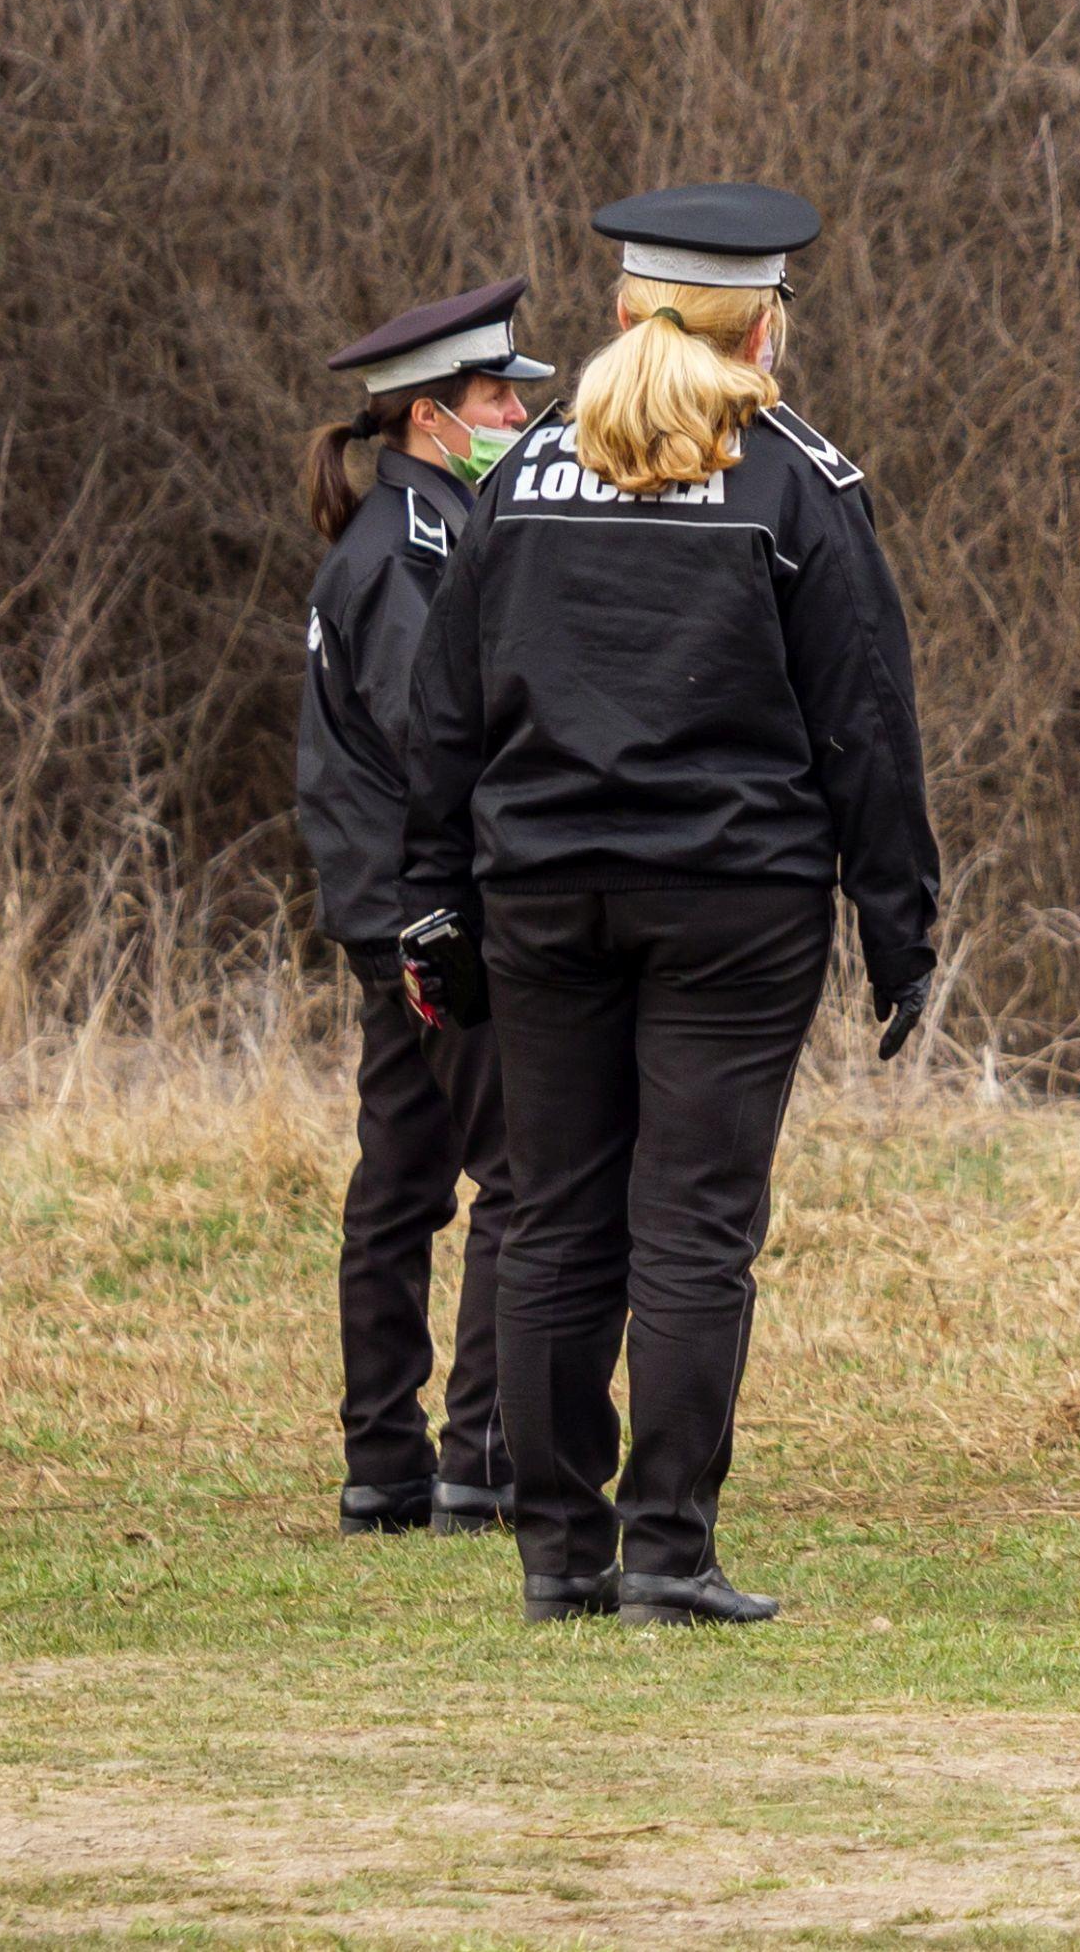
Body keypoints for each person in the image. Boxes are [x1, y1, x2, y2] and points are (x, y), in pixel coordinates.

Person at [402, 184, 940, 1627]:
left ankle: (555, 1557)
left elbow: (443, 711)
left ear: (628, 314)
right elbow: (865, 723)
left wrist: (429, 906)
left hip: (540, 895)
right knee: (693, 1224)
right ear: (761, 324)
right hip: (733, 902)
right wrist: (901, 925)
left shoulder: (519, 479)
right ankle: (666, 1551)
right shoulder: (797, 481)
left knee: (559, 1220)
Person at [297, 277, 551, 1537]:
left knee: (401, 1173)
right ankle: (477, 1460)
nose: (517, 410)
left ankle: (387, 1468)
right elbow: (428, 735)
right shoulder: (409, 551)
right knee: (515, 1172)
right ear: (427, 417)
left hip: (387, 899)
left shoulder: (425, 530)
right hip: (427, 908)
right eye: (498, 394)